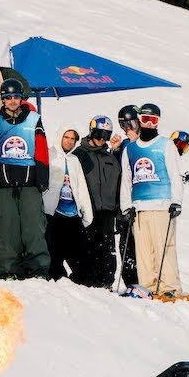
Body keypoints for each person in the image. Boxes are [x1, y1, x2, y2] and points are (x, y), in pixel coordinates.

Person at [0, 78, 49, 279]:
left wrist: (42, 180)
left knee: (33, 226)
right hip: (2, 184)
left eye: (15, 97)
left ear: (21, 98)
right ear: (2, 99)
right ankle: (9, 268)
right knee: (7, 227)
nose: (12, 101)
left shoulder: (34, 119)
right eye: (7, 97)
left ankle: (38, 268)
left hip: (29, 182)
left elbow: (42, 150)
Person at [118, 102, 183, 296]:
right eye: (145, 119)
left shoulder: (165, 144)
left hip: (162, 205)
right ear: (139, 120)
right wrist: (126, 207)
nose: (149, 124)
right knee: (144, 252)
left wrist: (176, 201)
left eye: (153, 120)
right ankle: (149, 285)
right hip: (139, 207)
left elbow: (175, 175)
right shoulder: (130, 148)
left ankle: (169, 287)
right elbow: (126, 181)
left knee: (164, 247)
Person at [73, 114, 122, 288]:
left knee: (107, 248)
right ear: (91, 132)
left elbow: (119, 183)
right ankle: (86, 281)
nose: (102, 139)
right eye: (98, 134)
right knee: (87, 247)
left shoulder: (110, 158)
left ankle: (106, 281)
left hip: (107, 211)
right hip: (87, 209)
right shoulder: (78, 155)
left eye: (106, 136)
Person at [44, 126, 93, 281]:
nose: (69, 141)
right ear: (60, 136)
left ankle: (78, 282)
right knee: (54, 252)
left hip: (72, 212)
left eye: (73, 139)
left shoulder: (74, 160)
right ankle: (57, 280)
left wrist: (86, 211)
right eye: (67, 137)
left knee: (81, 254)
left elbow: (81, 187)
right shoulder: (49, 154)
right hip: (53, 212)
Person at [112, 105, 140, 289]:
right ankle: (131, 282)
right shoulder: (124, 146)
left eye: (130, 123)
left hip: (142, 202)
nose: (126, 128)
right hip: (124, 203)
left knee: (141, 244)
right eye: (123, 124)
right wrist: (114, 151)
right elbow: (116, 173)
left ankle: (143, 280)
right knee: (126, 243)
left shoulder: (144, 143)